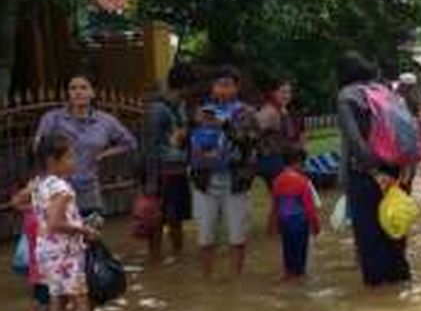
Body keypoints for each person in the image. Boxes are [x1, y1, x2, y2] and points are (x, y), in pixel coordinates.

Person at [337, 51, 412, 287]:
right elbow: (408, 131)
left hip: (366, 174)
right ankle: (400, 284)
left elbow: (355, 141)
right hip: (397, 172)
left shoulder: (346, 96)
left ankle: (376, 295)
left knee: (369, 237)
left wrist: (371, 172)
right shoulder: (386, 93)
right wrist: (405, 170)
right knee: (395, 230)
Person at [32, 134, 99, 311]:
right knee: (82, 305)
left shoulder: (38, 184)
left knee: (56, 303)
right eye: (69, 157)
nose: (74, 162)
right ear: (53, 160)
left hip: (45, 251)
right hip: (65, 253)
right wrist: (84, 230)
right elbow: (55, 223)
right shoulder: (62, 188)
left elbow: (45, 221)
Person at [35, 75, 137, 217]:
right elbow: (38, 148)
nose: (78, 92)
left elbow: (130, 143)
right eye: (73, 88)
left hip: (89, 189)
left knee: (91, 234)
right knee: (62, 235)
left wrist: (105, 154)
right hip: (58, 189)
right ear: (68, 94)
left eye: (83, 87)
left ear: (92, 93)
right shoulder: (52, 119)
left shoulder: (105, 121)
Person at [190, 66, 258, 278]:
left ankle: (236, 279)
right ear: (212, 87)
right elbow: (186, 142)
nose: (222, 89)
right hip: (205, 180)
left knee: (237, 236)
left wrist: (226, 125)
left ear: (236, 88)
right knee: (205, 237)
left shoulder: (246, 112)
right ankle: (206, 279)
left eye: (227, 85)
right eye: (218, 84)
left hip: (235, 180)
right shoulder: (200, 112)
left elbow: (251, 141)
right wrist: (191, 125)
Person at [141, 63, 196, 260]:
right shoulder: (157, 110)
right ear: (186, 87)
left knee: (177, 218)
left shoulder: (178, 105)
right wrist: (151, 182)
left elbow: (179, 136)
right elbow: (150, 147)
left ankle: (178, 259)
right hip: (162, 172)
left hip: (178, 170)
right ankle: (155, 259)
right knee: (157, 219)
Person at [271, 145, 321, 282]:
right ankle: (299, 276)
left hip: (285, 224)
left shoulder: (277, 181)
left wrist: (274, 225)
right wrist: (316, 226)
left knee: (288, 252)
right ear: (298, 162)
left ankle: (288, 273)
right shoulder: (303, 182)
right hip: (300, 224)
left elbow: (275, 206)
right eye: (303, 164)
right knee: (300, 255)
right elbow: (309, 208)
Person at [11, 178, 48, 311]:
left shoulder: (32, 210)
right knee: (44, 301)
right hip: (41, 265)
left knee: (38, 298)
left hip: (37, 265)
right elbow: (16, 202)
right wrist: (32, 188)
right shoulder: (32, 210)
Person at [256, 77, 299, 190]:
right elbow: (254, 129)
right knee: (283, 195)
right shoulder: (269, 111)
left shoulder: (282, 109)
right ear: (273, 93)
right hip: (272, 161)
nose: (287, 95)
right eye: (283, 92)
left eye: (289, 92)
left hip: (282, 159)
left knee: (283, 197)